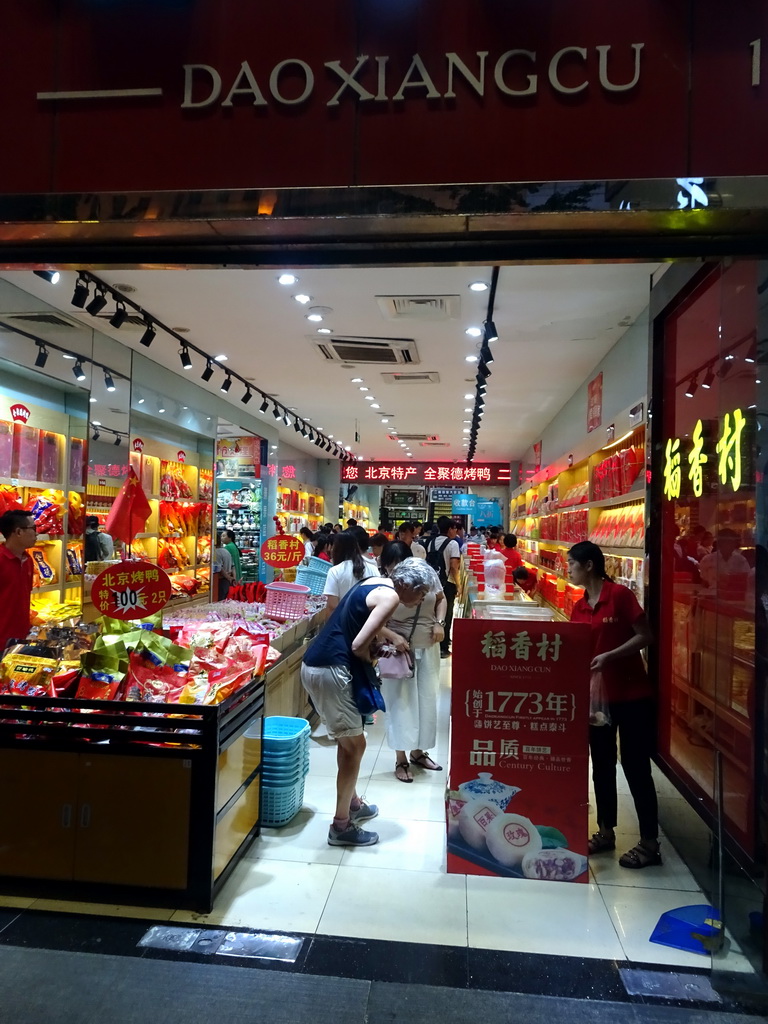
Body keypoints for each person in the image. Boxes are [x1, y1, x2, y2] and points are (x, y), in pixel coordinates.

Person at [301, 559, 433, 847]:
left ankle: (353, 804)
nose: (423, 599)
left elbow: (357, 630)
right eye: (422, 593)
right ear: (409, 586)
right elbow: (358, 646)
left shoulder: (372, 583)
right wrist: (372, 658)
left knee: (348, 742)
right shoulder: (391, 597)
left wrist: (376, 647)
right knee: (356, 744)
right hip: (332, 668)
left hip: (318, 664)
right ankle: (340, 827)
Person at [567, 541, 660, 870]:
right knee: (602, 765)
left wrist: (610, 655)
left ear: (589, 565)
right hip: (597, 702)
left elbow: (645, 635)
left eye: (572, 565)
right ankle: (605, 832)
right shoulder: (578, 607)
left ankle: (650, 842)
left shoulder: (618, 595)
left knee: (636, 768)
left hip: (632, 697)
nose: (569, 570)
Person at [379, 541, 446, 782]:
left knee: (426, 700)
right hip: (397, 652)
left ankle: (419, 752)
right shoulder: (383, 584)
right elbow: (372, 620)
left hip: (427, 646)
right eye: (392, 568)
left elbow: (441, 599)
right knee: (400, 704)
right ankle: (401, 758)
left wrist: (439, 623)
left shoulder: (426, 574)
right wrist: (393, 636)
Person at [424, 516, 461, 658]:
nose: (455, 532)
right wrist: (458, 584)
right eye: (455, 529)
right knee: (446, 614)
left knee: (431, 612)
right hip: (447, 584)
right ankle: (443, 647)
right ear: (450, 529)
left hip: (431, 583)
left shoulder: (430, 542)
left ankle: (432, 643)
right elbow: (453, 566)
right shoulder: (452, 544)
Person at [0, 509, 37, 652]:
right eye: (33, 528)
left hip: (21, 639)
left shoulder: (28, 560)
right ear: (19, 532)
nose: (36, 533)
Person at [323, 530, 379, 615]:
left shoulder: (335, 571)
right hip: (368, 624)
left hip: (343, 624)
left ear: (337, 549)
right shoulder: (373, 569)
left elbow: (332, 606)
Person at [214, 533, 235, 601]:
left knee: (220, 601)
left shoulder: (216, 552)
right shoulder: (226, 551)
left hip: (221, 581)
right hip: (227, 581)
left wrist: (229, 578)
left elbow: (219, 568)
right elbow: (233, 566)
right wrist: (233, 578)